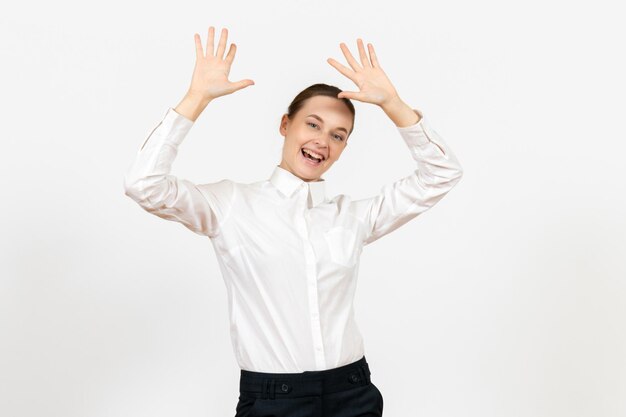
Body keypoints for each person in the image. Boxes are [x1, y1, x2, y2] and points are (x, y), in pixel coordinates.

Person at [123, 26, 463, 417]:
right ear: (286, 125)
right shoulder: (230, 204)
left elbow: (442, 174)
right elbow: (142, 185)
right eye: (313, 125)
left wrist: (393, 104)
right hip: (274, 400)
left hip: (352, 393)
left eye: (338, 135)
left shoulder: (352, 217)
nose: (323, 141)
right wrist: (196, 98)